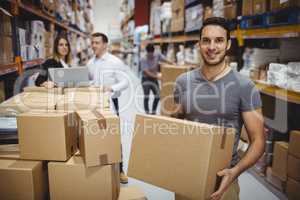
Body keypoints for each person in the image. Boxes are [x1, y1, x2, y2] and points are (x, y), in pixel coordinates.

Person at [172, 17, 265, 200]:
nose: (211, 47)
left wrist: (235, 171)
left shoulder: (244, 86)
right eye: (206, 40)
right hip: (187, 175)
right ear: (199, 44)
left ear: (228, 44)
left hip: (223, 180)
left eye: (219, 40)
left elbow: (259, 140)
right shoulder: (183, 82)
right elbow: (175, 123)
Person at [87, 32, 129, 184]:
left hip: (111, 102)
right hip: (95, 103)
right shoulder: (90, 63)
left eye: (97, 43)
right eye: (92, 43)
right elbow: (90, 80)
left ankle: (120, 169)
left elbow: (125, 82)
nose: (94, 46)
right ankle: (102, 168)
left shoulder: (115, 62)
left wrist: (111, 88)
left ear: (105, 44)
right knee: (97, 134)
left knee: (114, 136)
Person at [140, 44, 174, 114]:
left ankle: (153, 111)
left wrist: (173, 63)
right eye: (149, 54)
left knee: (158, 96)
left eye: (152, 54)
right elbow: (146, 72)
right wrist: (158, 77)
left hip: (154, 79)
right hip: (146, 79)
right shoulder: (143, 59)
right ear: (147, 52)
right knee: (147, 96)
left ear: (153, 51)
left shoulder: (157, 55)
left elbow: (165, 59)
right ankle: (147, 113)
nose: (151, 56)